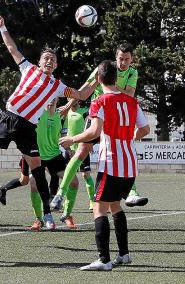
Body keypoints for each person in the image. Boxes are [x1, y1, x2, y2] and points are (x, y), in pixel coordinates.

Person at [0, 11, 98, 230]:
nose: (49, 61)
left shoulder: (58, 86)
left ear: (56, 66)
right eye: (46, 58)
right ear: (40, 62)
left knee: (37, 170)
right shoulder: (27, 68)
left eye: (53, 60)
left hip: (27, 127)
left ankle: (47, 215)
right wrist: (2, 26)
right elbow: (12, 48)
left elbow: (80, 95)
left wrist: (95, 80)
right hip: (9, 118)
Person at [59, 60, 150, 271]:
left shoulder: (99, 101)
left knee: (99, 208)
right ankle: (124, 255)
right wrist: (129, 138)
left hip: (111, 164)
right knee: (115, 206)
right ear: (117, 79)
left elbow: (94, 132)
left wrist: (72, 139)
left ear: (98, 79)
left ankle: (104, 259)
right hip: (129, 165)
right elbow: (144, 130)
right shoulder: (132, 101)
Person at [52, 42, 148, 210]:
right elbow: (83, 92)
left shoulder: (131, 73)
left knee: (124, 152)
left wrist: (108, 82)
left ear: (132, 59)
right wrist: (67, 106)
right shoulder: (103, 68)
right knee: (81, 152)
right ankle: (60, 193)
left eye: (126, 59)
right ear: (115, 56)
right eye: (120, 58)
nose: (123, 63)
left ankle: (132, 193)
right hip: (97, 114)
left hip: (116, 116)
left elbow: (130, 94)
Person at [29, 98, 79, 230]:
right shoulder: (37, 113)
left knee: (74, 182)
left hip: (54, 155)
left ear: (57, 99)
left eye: (53, 99)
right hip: (37, 156)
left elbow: (63, 135)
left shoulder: (62, 115)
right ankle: (39, 219)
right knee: (33, 184)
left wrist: (69, 150)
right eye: (48, 98)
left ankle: (67, 215)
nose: (50, 101)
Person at [63, 99, 95, 210]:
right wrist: (68, 149)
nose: (73, 100)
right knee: (68, 177)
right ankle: (65, 202)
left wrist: (89, 142)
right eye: (70, 98)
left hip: (83, 148)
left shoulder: (85, 111)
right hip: (70, 150)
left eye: (75, 98)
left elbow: (92, 126)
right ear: (68, 100)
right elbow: (63, 132)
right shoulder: (65, 113)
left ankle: (92, 202)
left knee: (86, 175)